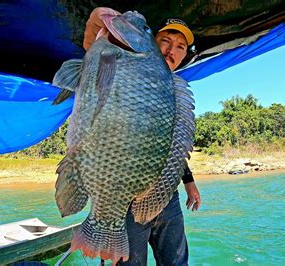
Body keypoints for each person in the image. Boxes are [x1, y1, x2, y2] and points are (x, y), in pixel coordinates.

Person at [84, 8, 201, 265]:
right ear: (152, 43)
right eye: (166, 41)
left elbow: (172, 146)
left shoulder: (175, 90)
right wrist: (98, 17)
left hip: (166, 197)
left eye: (181, 46)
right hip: (123, 196)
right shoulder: (123, 69)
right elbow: (93, 44)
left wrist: (188, 181)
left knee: (176, 262)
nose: (173, 50)